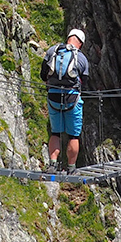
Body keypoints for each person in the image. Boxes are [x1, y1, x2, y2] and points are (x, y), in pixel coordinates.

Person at [41, 28, 90, 172]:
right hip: (72, 99)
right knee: (73, 135)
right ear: (80, 43)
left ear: (68, 37)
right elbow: (85, 83)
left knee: (55, 132)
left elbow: (43, 75)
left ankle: (53, 164)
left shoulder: (52, 51)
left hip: (53, 98)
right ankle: (71, 167)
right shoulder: (81, 58)